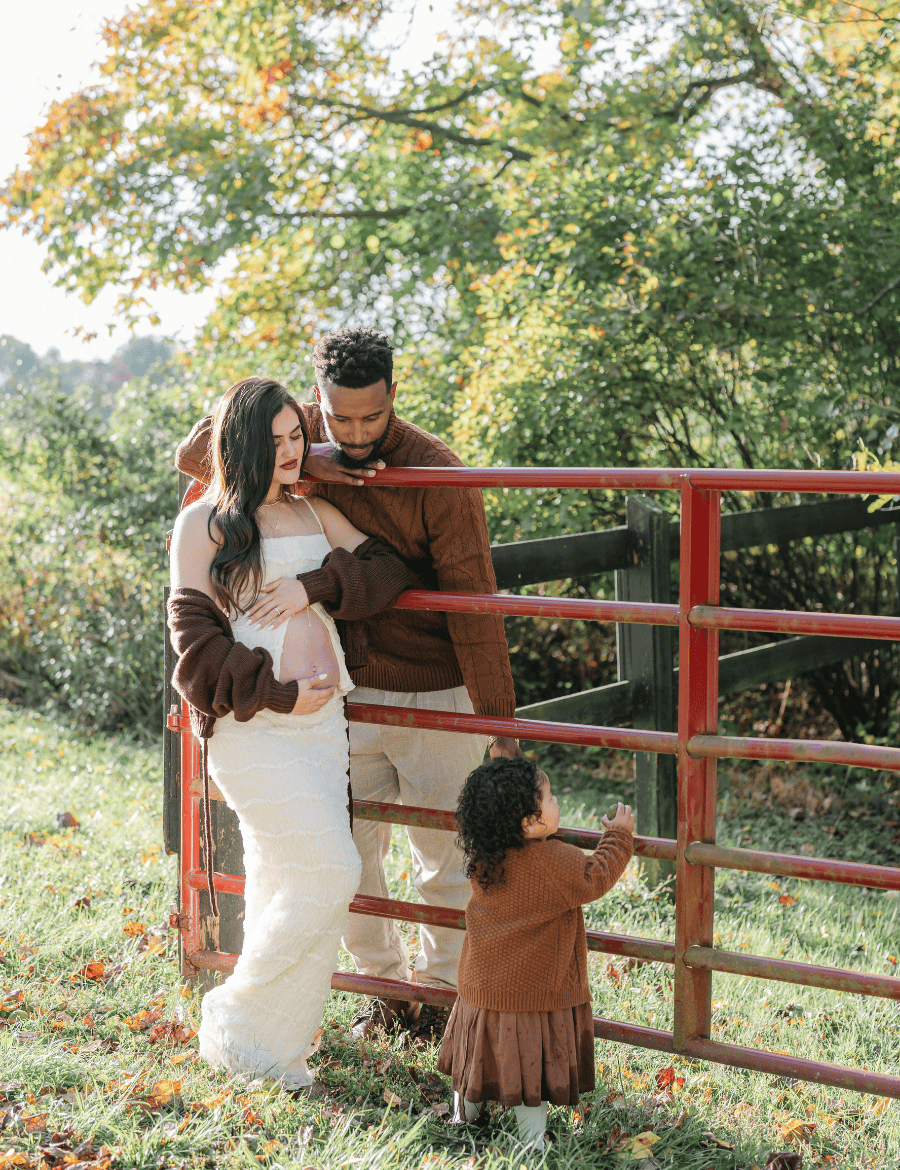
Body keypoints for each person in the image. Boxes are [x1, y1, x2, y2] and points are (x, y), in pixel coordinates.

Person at [176, 328, 522, 1039]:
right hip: (344, 699)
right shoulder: (303, 447)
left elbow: (474, 606)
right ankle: (384, 992)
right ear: (316, 404)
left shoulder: (436, 472)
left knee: (444, 857)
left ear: (395, 395)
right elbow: (198, 456)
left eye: (372, 418)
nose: (357, 434)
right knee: (351, 855)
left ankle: (440, 1000)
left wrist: (500, 727)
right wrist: (311, 448)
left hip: (432, 689)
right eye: (339, 419)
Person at [166, 376, 414, 1087]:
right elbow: (194, 646)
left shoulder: (314, 512)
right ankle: (239, 1018)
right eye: (272, 440)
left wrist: (317, 585)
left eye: (296, 437)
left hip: (322, 728)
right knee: (331, 870)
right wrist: (277, 694)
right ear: (239, 444)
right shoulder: (206, 524)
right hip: (255, 733)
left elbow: (388, 567)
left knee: (281, 880)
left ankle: (274, 1052)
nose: (289, 451)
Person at [437, 758, 634, 1148]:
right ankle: (531, 1141)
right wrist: (618, 836)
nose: (558, 801)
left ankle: (462, 1114)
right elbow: (597, 875)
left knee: (475, 1060)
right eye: (550, 796)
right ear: (529, 822)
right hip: (531, 994)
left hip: (481, 989)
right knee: (529, 1070)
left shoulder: (485, 857)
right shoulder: (556, 862)